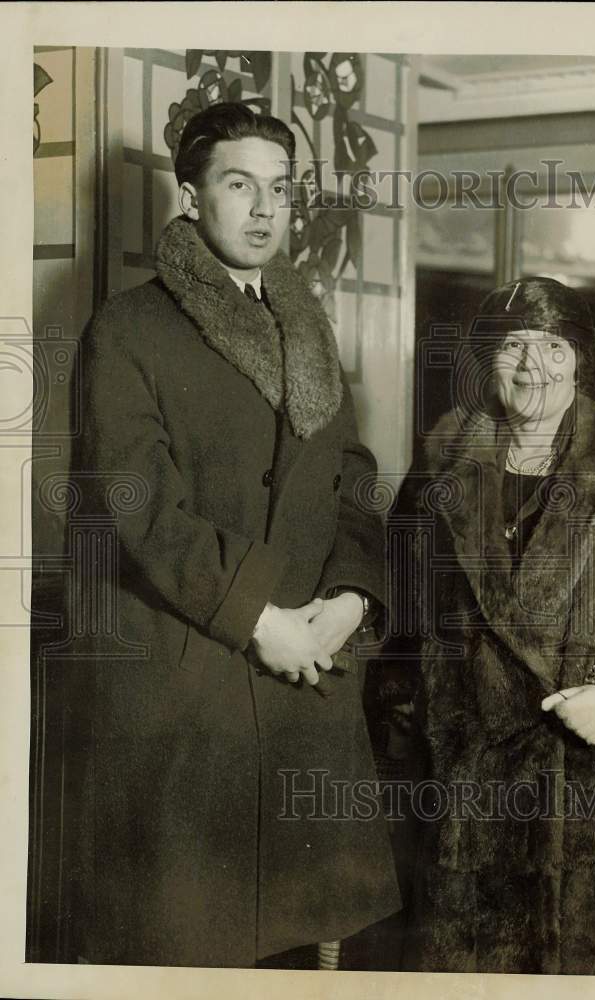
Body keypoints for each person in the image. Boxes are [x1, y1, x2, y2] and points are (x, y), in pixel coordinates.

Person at [59, 103, 400, 967]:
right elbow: (138, 506)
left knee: (303, 942)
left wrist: (352, 597)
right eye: (238, 184)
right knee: (190, 944)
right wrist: (263, 619)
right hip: (187, 688)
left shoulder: (306, 322)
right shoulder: (127, 328)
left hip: (309, 670)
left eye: (279, 190)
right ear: (189, 195)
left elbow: (352, 472)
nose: (263, 211)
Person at [381, 277, 595, 975]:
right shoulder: (438, 475)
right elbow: (402, 616)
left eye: (551, 345)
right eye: (511, 345)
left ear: (578, 360)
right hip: (470, 808)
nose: (530, 363)